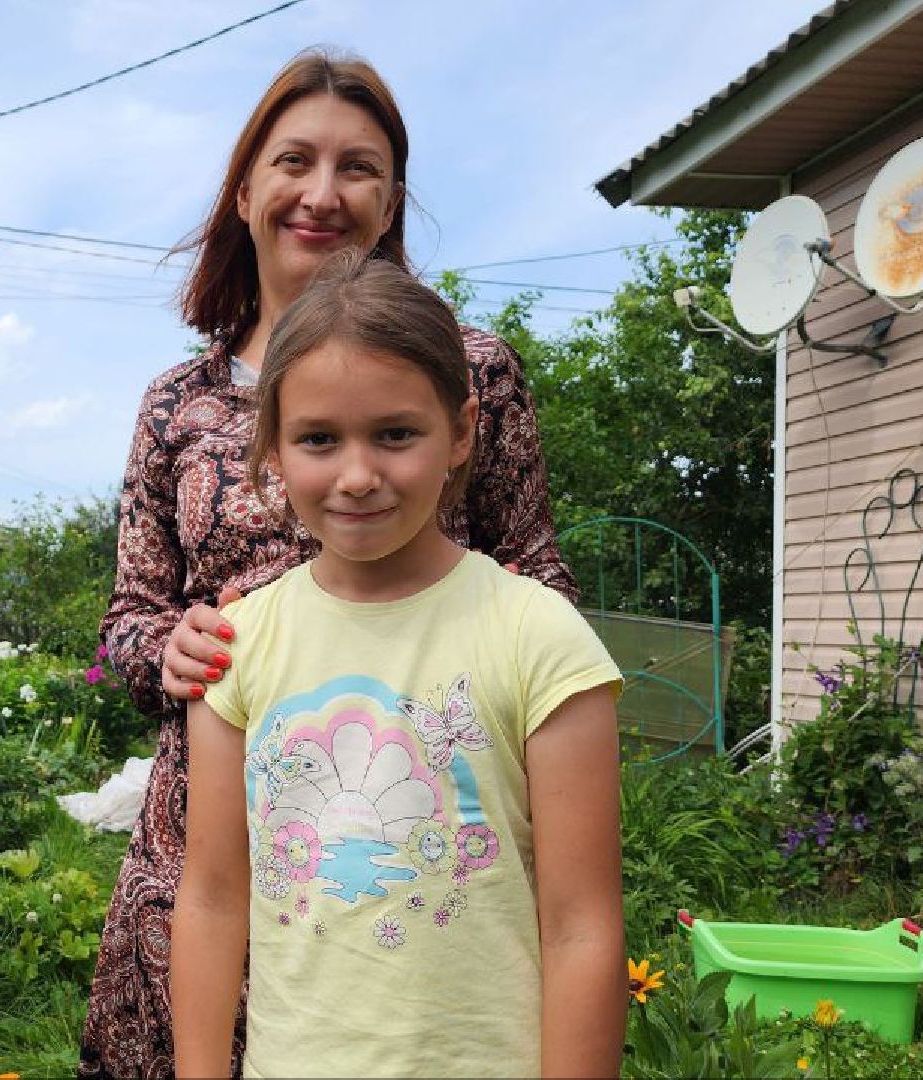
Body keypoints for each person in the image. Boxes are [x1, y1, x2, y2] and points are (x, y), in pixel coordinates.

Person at [81, 49, 579, 1078]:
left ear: (393, 196)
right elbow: (127, 619)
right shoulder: (177, 402)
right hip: (209, 855)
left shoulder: (466, 365)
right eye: (293, 160)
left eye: (357, 167)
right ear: (246, 187)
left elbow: (535, 572)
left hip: (422, 854)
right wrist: (167, 645)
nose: (321, 192)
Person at [170, 249, 625, 1077]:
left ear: (460, 432)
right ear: (271, 447)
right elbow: (208, 897)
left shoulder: (539, 637)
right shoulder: (236, 645)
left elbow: (581, 926)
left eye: (395, 434)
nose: (356, 476)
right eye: (317, 438)